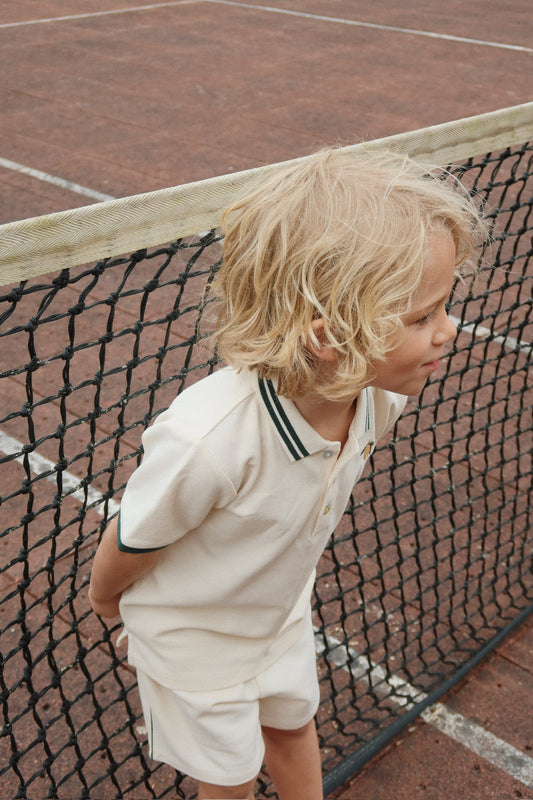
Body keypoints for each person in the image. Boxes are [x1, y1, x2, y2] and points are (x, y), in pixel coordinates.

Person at [89, 148, 485, 800]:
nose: (448, 331)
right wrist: (107, 601)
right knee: (230, 776)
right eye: (422, 317)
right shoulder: (209, 440)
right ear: (329, 337)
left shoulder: (378, 399)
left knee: (293, 726)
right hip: (196, 640)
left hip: (277, 614)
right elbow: (135, 536)